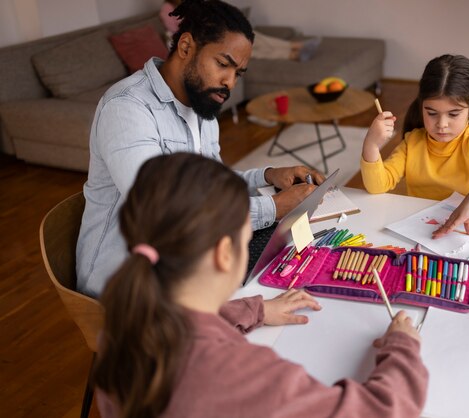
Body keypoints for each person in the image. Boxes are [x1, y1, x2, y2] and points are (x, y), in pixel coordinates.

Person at [93, 153, 428, 418]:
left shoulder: (125, 322)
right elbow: (383, 411)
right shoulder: (239, 375)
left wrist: (254, 308)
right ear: (225, 253)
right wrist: (402, 347)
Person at [77, 0, 323, 297]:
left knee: (298, 279)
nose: (229, 83)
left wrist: (267, 176)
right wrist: (273, 208)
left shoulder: (201, 106)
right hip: (128, 289)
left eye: (238, 73)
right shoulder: (127, 108)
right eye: (223, 64)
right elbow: (165, 209)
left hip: (187, 261)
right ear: (185, 47)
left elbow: (210, 187)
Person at [360, 54, 469, 238]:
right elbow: (377, 186)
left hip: (468, 235)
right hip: (422, 233)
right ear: (422, 107)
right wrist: (371, 144)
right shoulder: (412, 143)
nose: (442, 124)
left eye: (453, 114)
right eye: (432, 113)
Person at [160, 0, 321, 60]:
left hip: (216, 33)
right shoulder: (167, 9)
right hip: (204, 41)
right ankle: (292, 53)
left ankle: (294, 48)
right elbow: (182, 33)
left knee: (251, 36)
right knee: (247, 52)